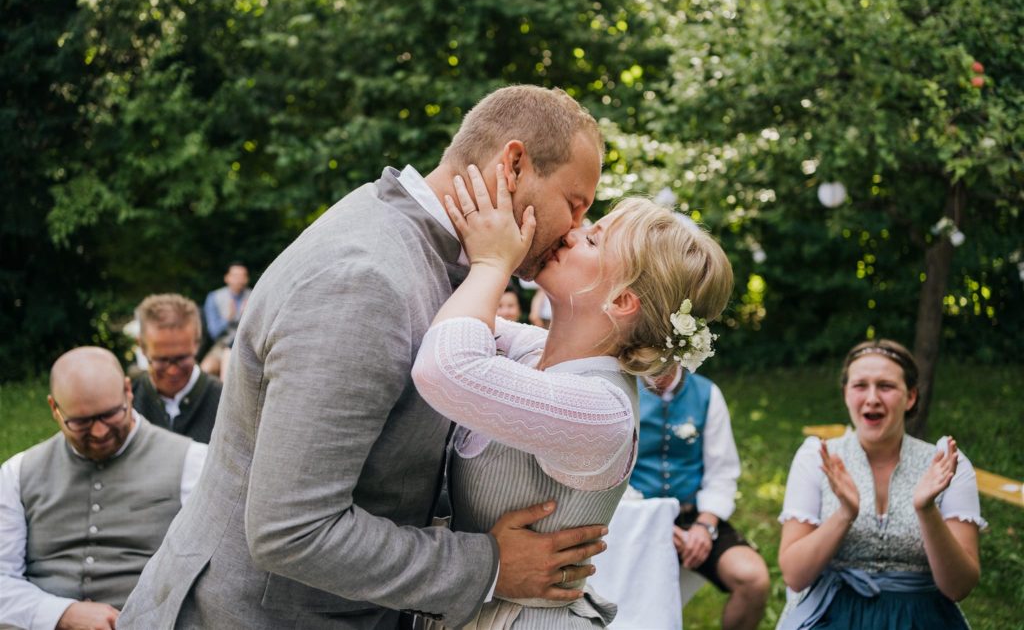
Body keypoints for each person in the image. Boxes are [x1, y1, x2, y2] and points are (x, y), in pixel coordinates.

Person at [119, 85, 615, 630]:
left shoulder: (422, 246)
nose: (575, 230)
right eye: (574, 205)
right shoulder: (365, 281)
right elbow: (293, 529)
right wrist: (489, 566)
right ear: (514, 163)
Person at [411, 165, 734, 628]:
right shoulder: (535, 351)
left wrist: (493, 264)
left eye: (593, 240)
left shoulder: (602, 411)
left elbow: (444, 367)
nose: (571, 233)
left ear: (622, 300)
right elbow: (442, 318)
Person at [777, 339, 985, 629]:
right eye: (860, 385)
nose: (872, 398)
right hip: (831, 614)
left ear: (910, 397)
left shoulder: (947, 463)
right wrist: (844, 514)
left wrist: (926, 510)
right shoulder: (816, 458)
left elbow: (958, 587)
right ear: (846, 394)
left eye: (885, 386)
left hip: (922, 618)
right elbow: (795, 576)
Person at [0, 347, 206, 630]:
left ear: (127, 391)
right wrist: (62, 614)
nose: (99, 433)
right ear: (54, 409)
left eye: (110, 415)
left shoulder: (193, 462)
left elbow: (215, 576)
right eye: (81, 422)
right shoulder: (17, 473)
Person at [631, 364, 769, 630]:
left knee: (753, 579)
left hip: (693, 515)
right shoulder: (621, 389)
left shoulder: (707, 393)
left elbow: (722, 472)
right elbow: (612, 475)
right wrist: (652, 522)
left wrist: (705, 526)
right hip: (635, 516)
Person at [131, 293, 223, 444]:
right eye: (161, 360)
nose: (172, 370)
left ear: (197, 343)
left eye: (182, 358)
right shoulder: (128, 402)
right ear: (142, 346)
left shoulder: (224, 401)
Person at [200, 261, 251, 379]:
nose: (240, 280)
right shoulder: (214, 297)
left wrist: (247, 317)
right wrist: (227, 319)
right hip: (221, 345)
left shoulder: (253, 295)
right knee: (204, 371)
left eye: (243, 276)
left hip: (246, 346)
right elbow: (213, 333)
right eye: (235, 276)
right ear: (227, 278)